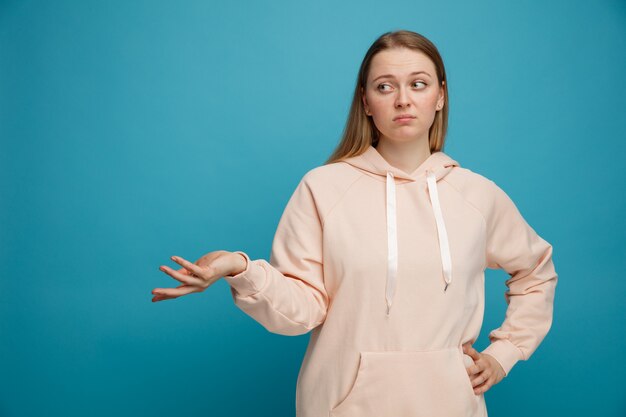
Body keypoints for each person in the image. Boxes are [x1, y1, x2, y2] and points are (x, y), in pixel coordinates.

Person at [152, 29, 558, 417]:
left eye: (418, 84)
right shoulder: (323, 188)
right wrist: (240, 268)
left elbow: (536, 272)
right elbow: (300, 311)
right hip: (340, 405)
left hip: (450, 405)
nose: (402, 100)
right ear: (365, 101)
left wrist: (503, 355)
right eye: (385, 86)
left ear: (440, 96)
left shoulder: (477, 195)